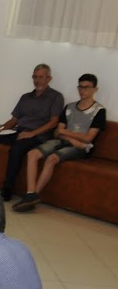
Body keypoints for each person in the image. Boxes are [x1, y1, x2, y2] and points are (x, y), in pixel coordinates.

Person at [0, 64, 64, 201]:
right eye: (35, 77)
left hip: (38, 136)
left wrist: (32, 133)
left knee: (16, 149)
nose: (37, 80)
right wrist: (1, 128)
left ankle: (7, 189)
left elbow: (54, 122)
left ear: (49, 78)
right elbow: (14, 120)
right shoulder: (26, 97)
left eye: (41, 77)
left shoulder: (56, 97)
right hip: (18, 132)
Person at [13, 74, 106, 213]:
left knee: (52, 158)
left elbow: (87, 139)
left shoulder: (99, 111)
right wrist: (70, 137)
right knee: (32, 153)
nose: (83, 90)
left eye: (87, 87)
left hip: (81, 148)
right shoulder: (69, 107)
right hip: (65, 141)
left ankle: (31, 197)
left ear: (95, 89)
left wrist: (66, 133)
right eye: (80, 87)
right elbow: (57, 132)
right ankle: (30, 193)